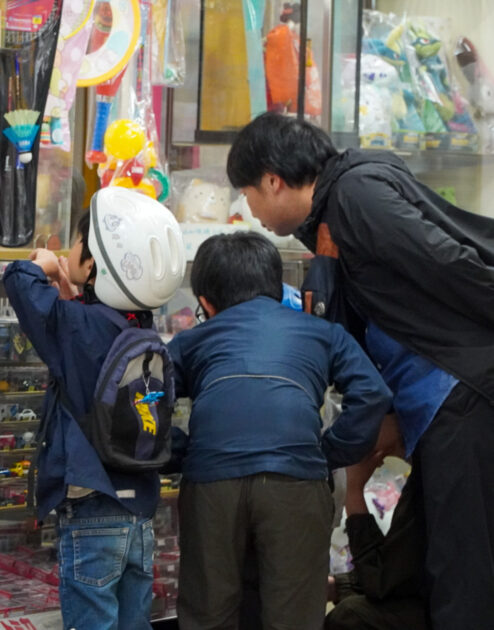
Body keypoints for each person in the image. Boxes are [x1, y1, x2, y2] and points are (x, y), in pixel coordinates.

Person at [226, 112, 494, 627]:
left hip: (459, 392)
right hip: (438, 402)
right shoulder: (334, 213)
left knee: (463, 570)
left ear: (273, 180)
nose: (249, 211)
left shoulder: (354, 195)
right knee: (442, 564)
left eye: (247, 194)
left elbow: (445, 262)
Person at [166, 231, 391, 629]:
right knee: (294, 618)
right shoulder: (322, 332)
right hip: (296, 482)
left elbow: (141, 401)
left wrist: (183, 451)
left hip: (212, 485)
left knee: (208, 616)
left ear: (206, 302)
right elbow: (372, 393)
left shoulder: (191, 341)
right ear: (276, 285)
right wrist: (327, 453)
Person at [3, 187, 185, 630]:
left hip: (92, 511)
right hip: (139, 513)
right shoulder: (144, 331)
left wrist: (39, 265)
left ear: (93, 264)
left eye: (78, 242)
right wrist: (75, 293)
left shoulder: (76, 326)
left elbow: (18, 282)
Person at [326, 414, 429, 630]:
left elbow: (382, 582)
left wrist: (354, 491)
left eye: (366, 417)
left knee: (349, 616)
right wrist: (338, 586)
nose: (357, 436)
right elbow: (399, 572)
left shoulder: (430, 475)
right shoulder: (431, 460)